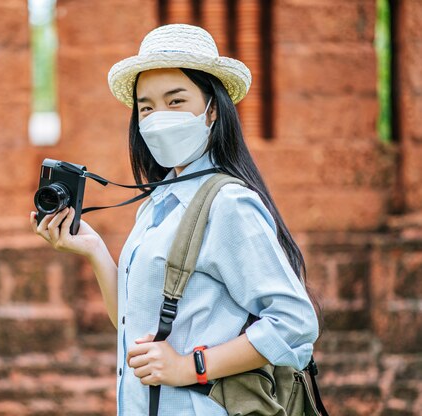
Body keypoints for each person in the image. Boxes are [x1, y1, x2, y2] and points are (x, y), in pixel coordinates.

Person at [30, 23, 319, 416]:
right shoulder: (157, 202)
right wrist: (95, 250)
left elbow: (295, 323)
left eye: (176, 100)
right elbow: (136, 323)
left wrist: (190, 366)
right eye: (146, 107)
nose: (157, 118)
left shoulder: (228, 202)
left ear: (212, 108)